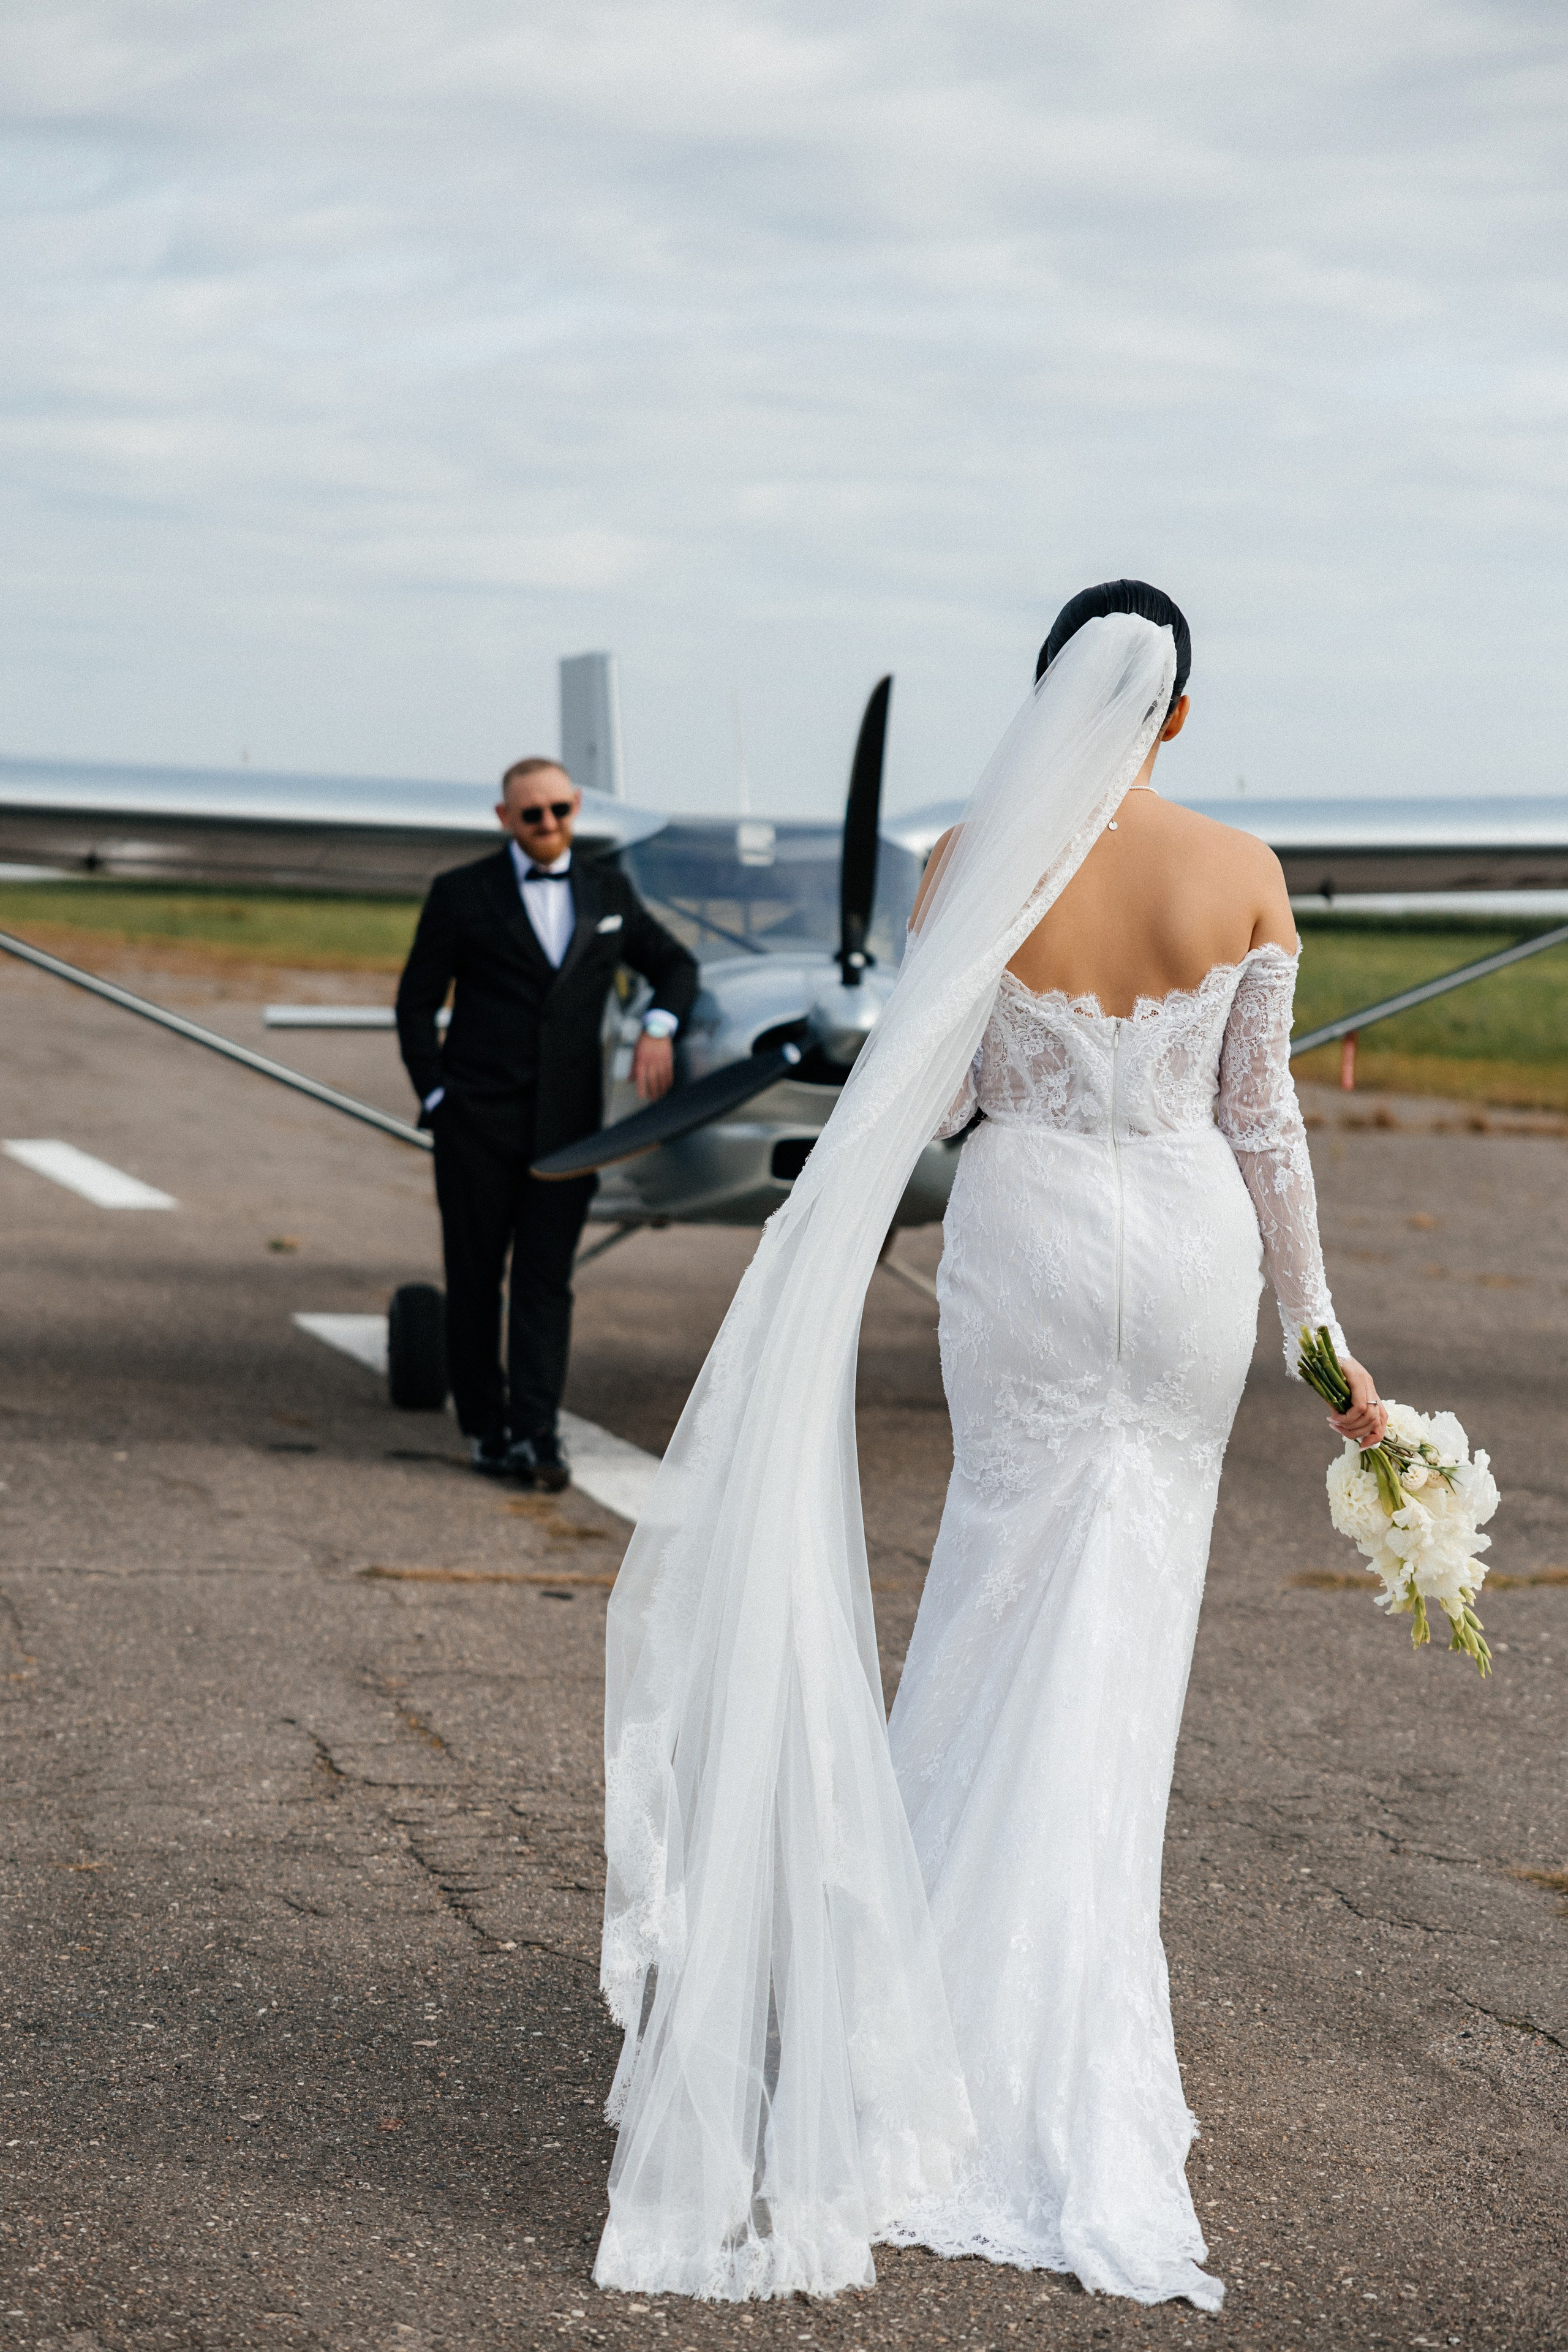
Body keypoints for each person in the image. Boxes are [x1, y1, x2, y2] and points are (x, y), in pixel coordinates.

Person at [592, 588, 1385, 2310]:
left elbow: (934, 1102)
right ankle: (1072, 2017)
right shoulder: (1246, 868)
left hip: (1021, 1250)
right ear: (1177, 713)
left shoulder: (971, 860)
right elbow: (1265, 1118)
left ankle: (920, 2017)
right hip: (1184, 1257)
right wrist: (1321, 1337)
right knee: (1124, 1630)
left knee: (996, 1591)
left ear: (1051, 700)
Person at [395, 758, 698, 1489]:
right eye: (531, 815)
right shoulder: (460, 893)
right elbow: (414, 1003)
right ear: (505, 819)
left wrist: (658, 1026)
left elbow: (676, 966)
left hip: (569, 1132)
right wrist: (438, 1099)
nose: (548, 825)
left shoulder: (607, 890)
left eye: (559, 810)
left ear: (576, 806)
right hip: (477, 1123)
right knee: (474, 1281)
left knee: (546, 1282)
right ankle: (485, 1429)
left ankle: (538, 1432)